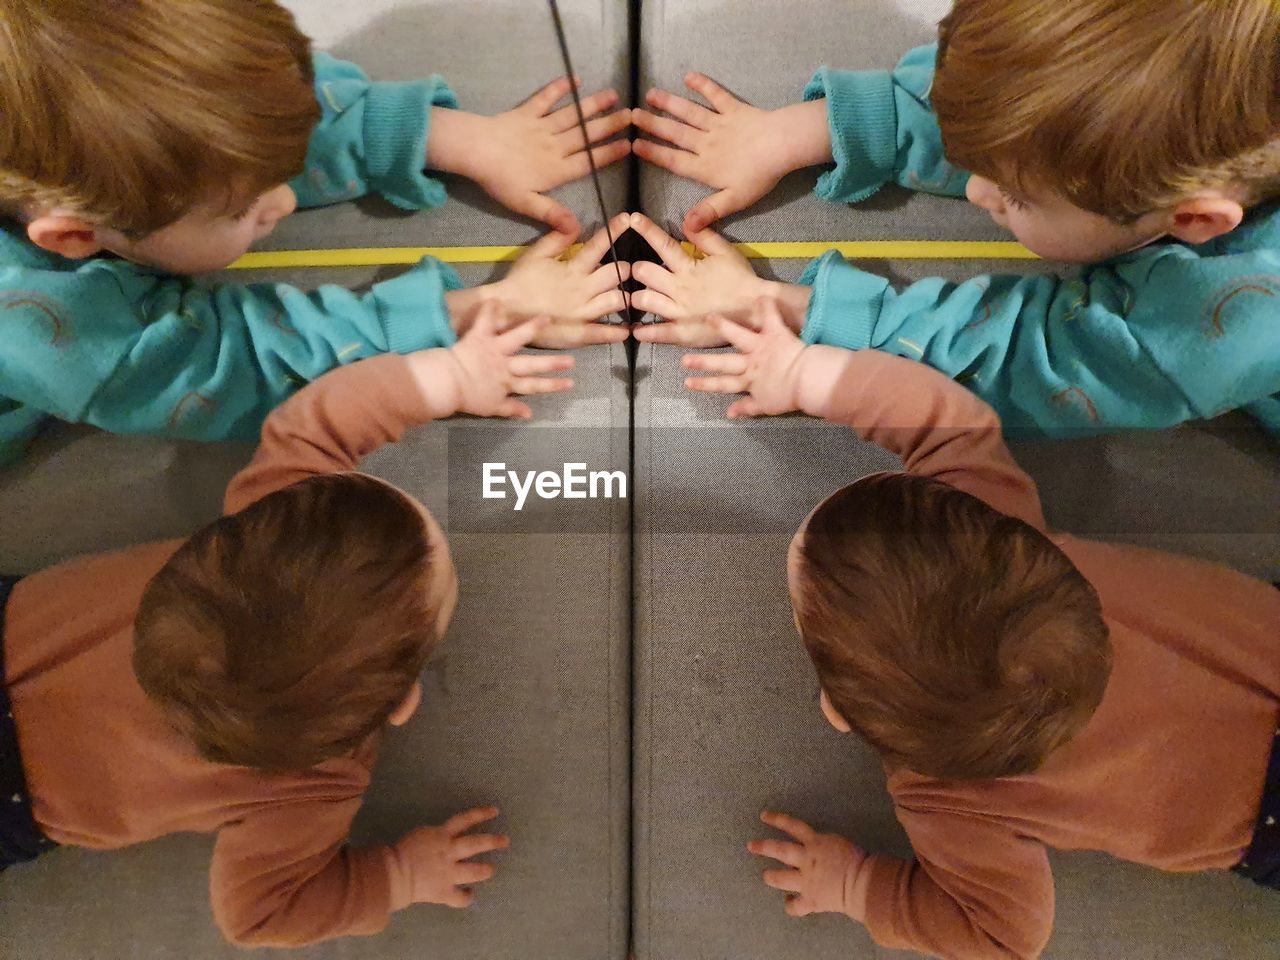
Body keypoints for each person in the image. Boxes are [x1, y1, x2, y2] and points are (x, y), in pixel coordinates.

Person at [681, 299, 1280, 960]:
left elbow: (1004, 935)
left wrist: (859, 886)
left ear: (840, 712)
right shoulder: (995, 526)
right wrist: (803, 371)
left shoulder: (944, 800)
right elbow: (946, 420)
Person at [0, 305, 573, 948]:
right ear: (403, 701)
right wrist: (397, 877)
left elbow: (319, 419)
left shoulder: (275, 519)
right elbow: (258, 917)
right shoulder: (314, 789)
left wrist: (449, 374)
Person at [0, 0, 633, 464]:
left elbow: (251, 99)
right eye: (241, 209)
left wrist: (451, 138)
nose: (280, 200)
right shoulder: (37, 325)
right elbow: (231, 370)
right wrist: (474, 314)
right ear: (75, 237)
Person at [631, 0, 1280, 438]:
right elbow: (1013, 98)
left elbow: (1035, 364)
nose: (975, 193)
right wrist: (815, 129)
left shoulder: (1243, 315)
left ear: (1195, 219)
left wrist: (786, 308)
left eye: (1017, 197)